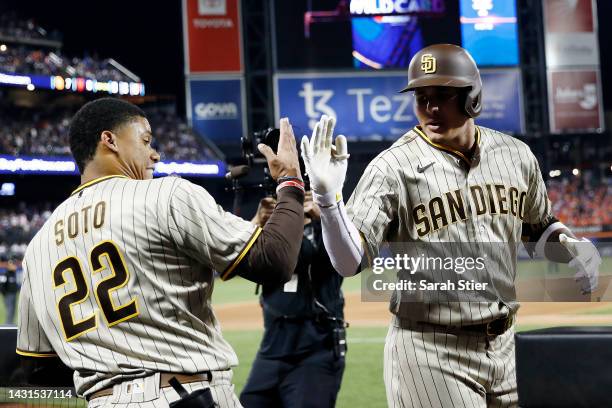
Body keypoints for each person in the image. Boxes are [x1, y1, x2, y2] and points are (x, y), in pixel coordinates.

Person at [300, 44, 602, 407]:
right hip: (430, 351)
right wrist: (329, 203)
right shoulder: (392, 168)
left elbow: (539, 229)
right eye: (421, 96)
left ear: (472, 97)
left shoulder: (516, 156)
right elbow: (349, 262)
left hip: (506, 346)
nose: (430, 108)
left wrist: (570, 246)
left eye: (442, 95)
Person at [16, 97, 306, 407]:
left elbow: (39, 365)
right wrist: (290, 181)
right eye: (145, 140)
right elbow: (273, 261)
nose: (154, 153)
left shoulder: (38, 246)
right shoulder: (165, 195)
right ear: (109, 140)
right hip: (181, 394)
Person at [240, 191, 346, 408]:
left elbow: (349, 258)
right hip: (272, 349)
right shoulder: (272, 233)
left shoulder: (328, 228)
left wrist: (323, 216)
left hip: (316, 348)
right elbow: (236, 261)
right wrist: (256, 223)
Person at [1, 257, 19, 324]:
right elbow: (2, 286)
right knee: (10, 310)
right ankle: (8, 324)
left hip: (13, 294)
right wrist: (5, 294)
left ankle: (10, 323)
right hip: (8, 295)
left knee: (13, 310)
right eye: (12, 264)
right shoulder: (5, 274)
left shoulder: (13, 274)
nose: (14, 266)